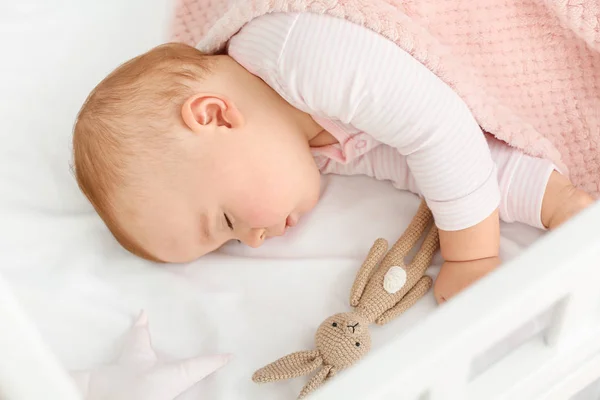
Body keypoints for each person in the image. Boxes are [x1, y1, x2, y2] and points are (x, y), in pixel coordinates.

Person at [72, 12, 593, 303]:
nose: (252, 242)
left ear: (214, 116)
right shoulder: (313, 150)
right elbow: (433, 169)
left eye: (228, 220)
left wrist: (471, 255)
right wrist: (551, 199)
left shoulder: (296, 55)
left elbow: (440, 133)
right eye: (232, 241)